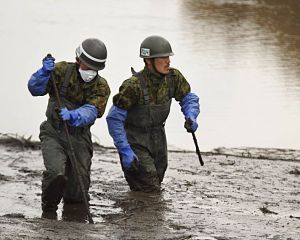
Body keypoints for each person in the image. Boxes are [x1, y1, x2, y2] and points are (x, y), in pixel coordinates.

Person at [28, 38, 111, 219]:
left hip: (80, 137)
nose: (90, 72)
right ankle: (49, 209)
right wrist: (42, 73)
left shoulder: (102, 86)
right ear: (78, 60)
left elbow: (93, 110)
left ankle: (73, 214)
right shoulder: (60, 71)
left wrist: (74, 116)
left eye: (94, 69)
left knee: (77, 194)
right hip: (54, 132)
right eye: (87, 66)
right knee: (56, 172)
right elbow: (34, 89)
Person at [106, 35, 200, 192]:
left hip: (158, 137)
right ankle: (143, 213)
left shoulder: (173, 78)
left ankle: (139, 209)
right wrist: (125, 149)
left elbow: (188, 98)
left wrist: (191, 115)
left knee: (157, 177)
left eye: (168, 57)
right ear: (148, 60)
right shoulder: (133, 86)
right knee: (149, 184)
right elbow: (114, 118)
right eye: (162, 58)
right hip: (135, 140)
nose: (168, 61)